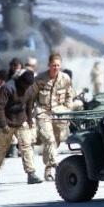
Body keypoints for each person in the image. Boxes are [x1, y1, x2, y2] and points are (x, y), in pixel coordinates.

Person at [0, 70, 43, 186]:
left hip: (21, 120)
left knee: (26, 146)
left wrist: (29, 120)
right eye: (25, 85)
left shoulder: (29, 88)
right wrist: (3, 125)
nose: (27, 87)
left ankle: (31, 174)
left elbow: (29, 105)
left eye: (29, 85)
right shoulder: (7, 88)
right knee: (1, 149)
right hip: (7, 122)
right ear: (21, 81)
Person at [33, 53, 73, 181]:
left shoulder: (65, 78)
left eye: (58, 65)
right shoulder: (40, 78)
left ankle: (48, 170)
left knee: (55, 142)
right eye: (53, 65)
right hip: (43, 112)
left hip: (59, 113)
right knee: (49, 139)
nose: (55, 67)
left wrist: (67, 109)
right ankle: (57, 166)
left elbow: (69, 95)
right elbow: (32, 96)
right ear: (49, 65)